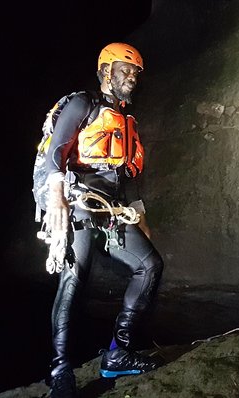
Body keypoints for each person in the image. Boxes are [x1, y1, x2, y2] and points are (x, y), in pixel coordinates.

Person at [41, 42, 164, 397]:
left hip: (111, 210)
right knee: (74, 278)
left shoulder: (126, 121)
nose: (132, 78)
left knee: (150, 265)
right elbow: (57, 151)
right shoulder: (84, 103)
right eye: (125, 70)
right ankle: (61, 371)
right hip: (78, 202)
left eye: (136, 73)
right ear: (106, 71)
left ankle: (117, 354)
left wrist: (139, 215)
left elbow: (127, 176)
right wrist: (57, 200)